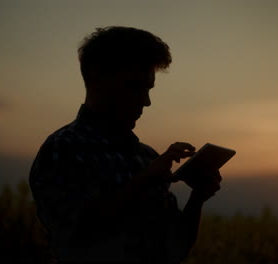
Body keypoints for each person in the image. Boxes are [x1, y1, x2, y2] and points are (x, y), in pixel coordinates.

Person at [29, 26, 222, 263]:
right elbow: (79, 234)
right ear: (96, 76)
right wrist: (146, 180)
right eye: (134, 86)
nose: (146, 101)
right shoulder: (64, 148)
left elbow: (175, 248)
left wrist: (198, 197)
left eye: (148, 88)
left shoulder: (147, 157)